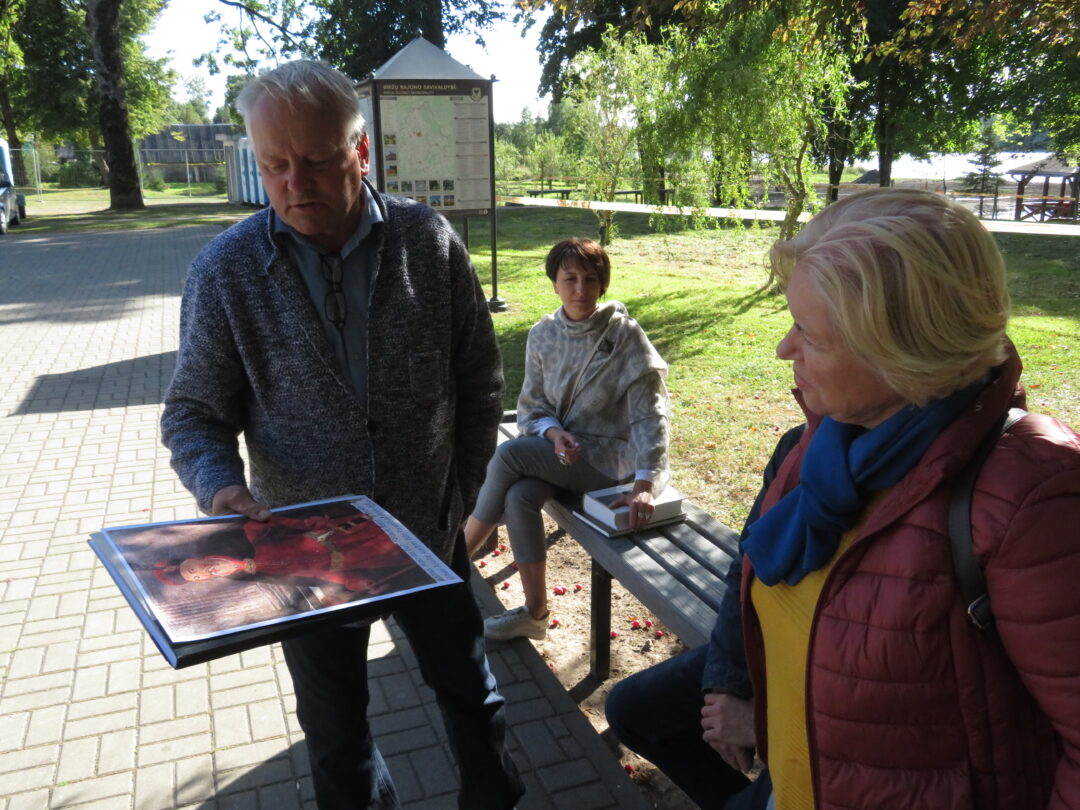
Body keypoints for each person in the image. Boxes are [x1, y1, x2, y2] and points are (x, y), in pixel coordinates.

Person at [605, 188, 1080, 809]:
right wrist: (740, 688)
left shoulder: (1030, 496)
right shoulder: (818, 444)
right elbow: (754, 573)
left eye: (810, 333)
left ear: (901, 353)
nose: (784, 348)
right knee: (635, 711)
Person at [160, 60, 522, 810]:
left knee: (472, 696)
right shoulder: (226, 271)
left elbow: (479, 378)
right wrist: (219, 487)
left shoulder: (428, 243)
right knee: (335, 737)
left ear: (359, 152)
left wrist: (459, 493)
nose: (295, 183)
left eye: (317, 160)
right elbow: (193, 413)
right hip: (302, 553)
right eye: (274, 165)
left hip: (428, 530)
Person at [465, 237, 671, 641]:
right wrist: (554, 433)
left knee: (509, 456)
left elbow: (650, 414)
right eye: (570, 278)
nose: (580, 289)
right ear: (554, 283)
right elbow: (533, 405)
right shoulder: (543, 334)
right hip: (561, 454)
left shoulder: (624, 336)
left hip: (612, 460)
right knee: (519, 496)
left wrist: (645, 484)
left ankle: (454, 564)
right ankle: (535, 614)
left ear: (603, 284)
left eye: (590, 279)